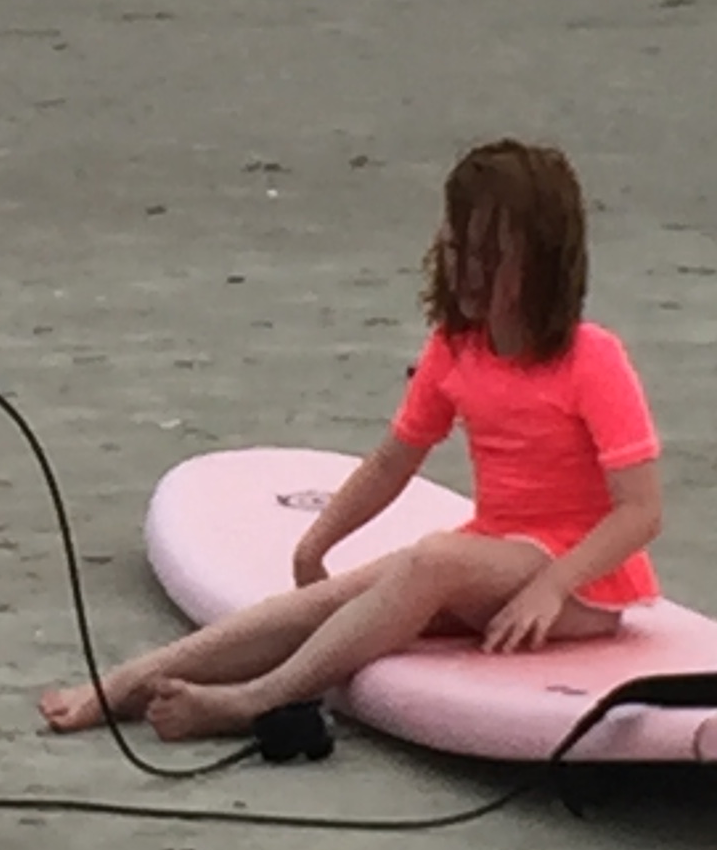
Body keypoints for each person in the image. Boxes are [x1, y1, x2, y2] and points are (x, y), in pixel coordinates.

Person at [40, 139, 661, 743]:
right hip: (496, 556)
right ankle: (125, 683)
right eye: (457, 250)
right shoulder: (455, 348)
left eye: (490, 257)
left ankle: (253, 701)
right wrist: (316, 543)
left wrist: (552, 587)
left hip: (583, 587)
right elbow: (393, 462)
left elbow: (641, 511)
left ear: (543, 261)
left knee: (433, 558)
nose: (468, 272)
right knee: (336, 597)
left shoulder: (591, 358)